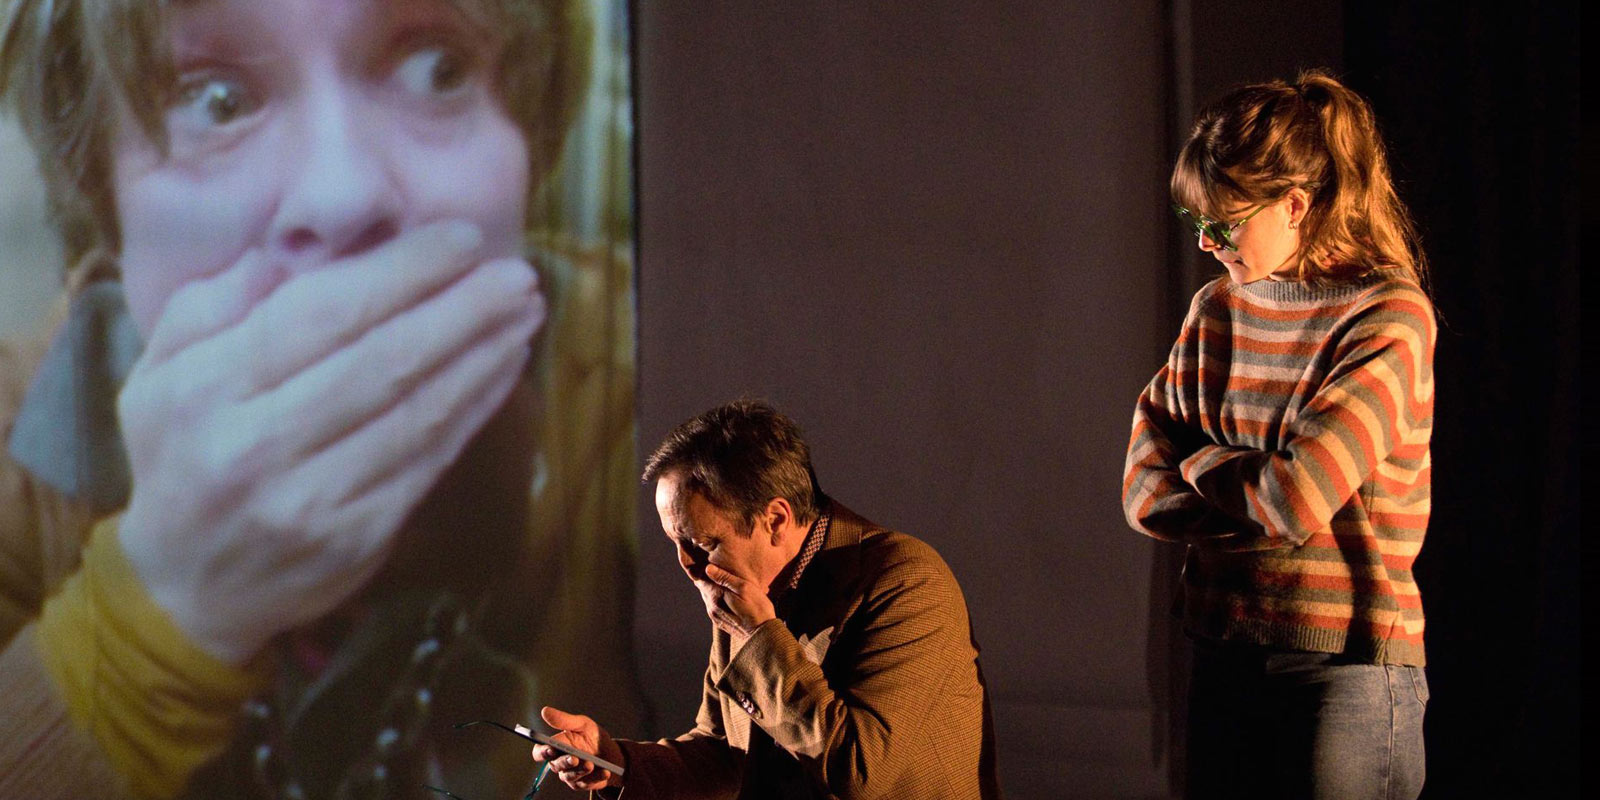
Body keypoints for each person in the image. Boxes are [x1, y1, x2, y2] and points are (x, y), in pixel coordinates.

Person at [0, 1, 643, 798]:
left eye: (439, 70)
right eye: (218, 102)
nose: (342, 196)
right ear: (107, 204)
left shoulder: (659, 407)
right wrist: (154, 621)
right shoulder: (16, 453)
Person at [1122, 70, 1435, 800]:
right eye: (1195, 220)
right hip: (1221, 653)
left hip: (1344, 675)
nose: (1207, 243)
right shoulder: (1216, 311)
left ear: (1294, 205)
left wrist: (1198, 460)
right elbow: (1141, 492)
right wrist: (1251, 486)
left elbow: (1297, 498)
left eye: (1225, 223)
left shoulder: (1385, 316)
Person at [531, 400, 1001, 799]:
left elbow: (860, 771)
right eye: (675, 543)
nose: (688, 565)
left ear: (776, 519)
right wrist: (616, 762)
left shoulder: (905, 581)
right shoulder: (746, 590)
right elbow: (725, 754)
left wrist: (759, 634)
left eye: (703, 543)